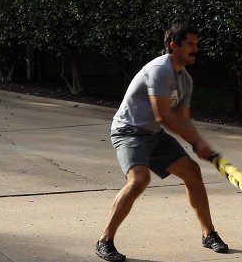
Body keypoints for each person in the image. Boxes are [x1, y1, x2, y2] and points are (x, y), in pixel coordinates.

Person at [95, 22, 229, 262]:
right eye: (190, 44)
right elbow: (163, 116)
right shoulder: (160, 70)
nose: (195, 49)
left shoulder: (185, 79)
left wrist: (200, 145)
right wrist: (198, 143)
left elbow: (183, 119)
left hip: (153, 135)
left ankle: (208, 234)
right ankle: (104, 240)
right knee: (139, 180)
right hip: (129, 131)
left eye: (197, 44)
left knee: (192, 171)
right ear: (173, 45)